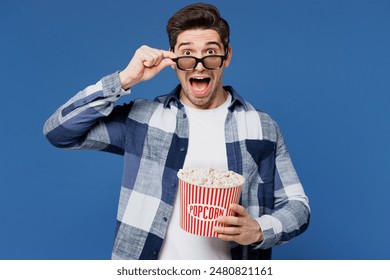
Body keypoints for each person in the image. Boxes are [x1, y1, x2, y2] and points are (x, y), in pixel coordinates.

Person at [43, 3, 310, 260]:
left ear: (227, 56)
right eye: (187, 53)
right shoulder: (143, 118)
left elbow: (297, 206)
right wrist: (125, 78)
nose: (199, 64)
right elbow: (59, 132)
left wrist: (259, 230)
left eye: (210, 52)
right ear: (173, 57)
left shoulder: (262, 126)